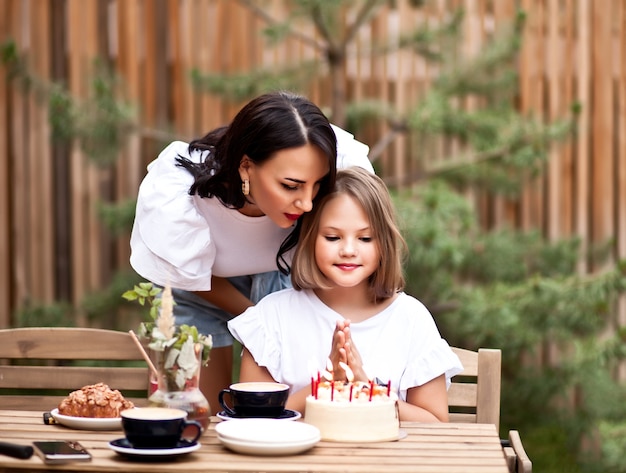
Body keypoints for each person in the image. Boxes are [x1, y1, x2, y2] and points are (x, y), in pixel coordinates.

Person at [129, 91, 374, 413]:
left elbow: (355, 246)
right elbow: (186, 277)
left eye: (318, 185)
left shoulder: (342, 163)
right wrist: (257, 320)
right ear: (246, 167)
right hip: (203, 286)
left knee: (298, 410)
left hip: (289, 275)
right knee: (192, 411)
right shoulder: (178, 192)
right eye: (291, 186)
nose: (308, 203)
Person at [228, 166, 463, 422]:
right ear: (309, 238)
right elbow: (252, 419)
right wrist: (326, 384)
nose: (348, 250)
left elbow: (437, 423)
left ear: (384, 243)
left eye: (365, 238)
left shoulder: (411, 318)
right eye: (332, 237)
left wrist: (370, 390)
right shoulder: (272, 316)